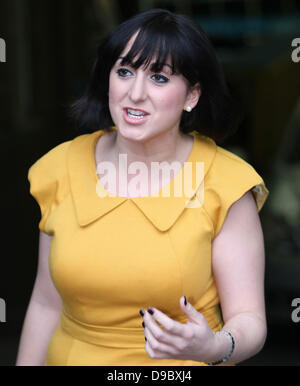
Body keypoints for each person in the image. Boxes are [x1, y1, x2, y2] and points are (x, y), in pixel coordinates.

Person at [16, 8, 269, 366]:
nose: (136, 93)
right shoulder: (60, 168)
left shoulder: (226, 183)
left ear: (191, 95)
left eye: (159, 78)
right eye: (124, 72)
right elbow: (46, 302)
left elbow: (250, 320)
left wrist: (214, 347)